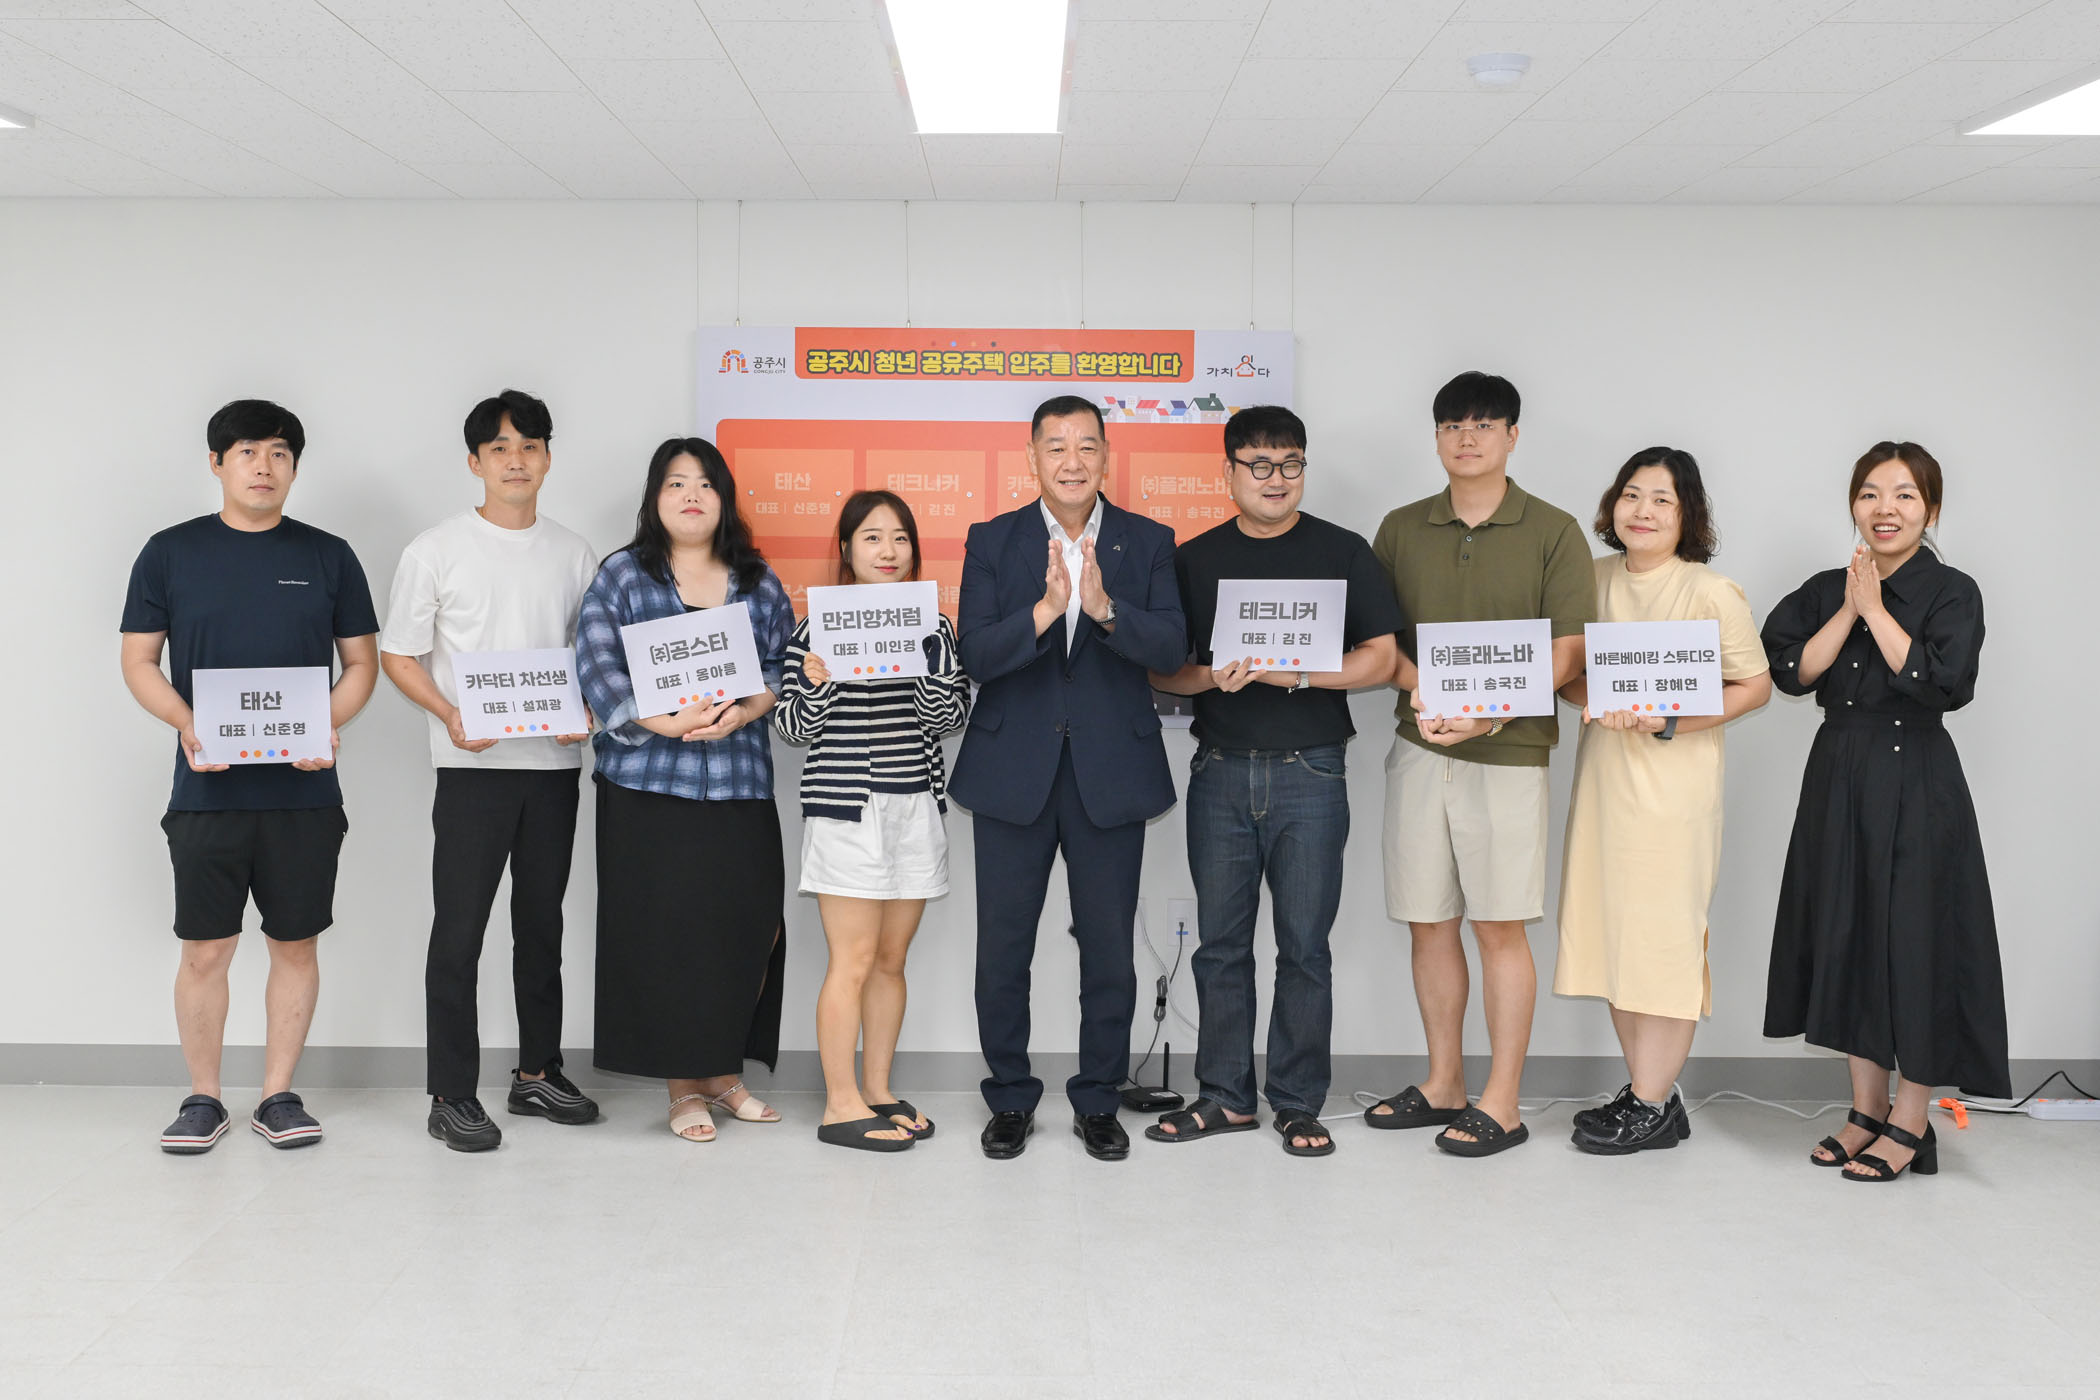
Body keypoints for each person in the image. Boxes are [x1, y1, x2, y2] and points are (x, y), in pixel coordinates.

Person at [120, 400, 379, 1154]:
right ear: (216, 463)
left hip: (304, 793)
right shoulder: (170, 552)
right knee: (206, 948)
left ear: (294, 466)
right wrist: (186, 722)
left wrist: (326, 724)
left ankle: (278, 1096)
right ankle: (203, 1098)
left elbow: (361, 664)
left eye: (278, 453)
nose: (263, 466)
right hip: (206, 790)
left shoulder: (329, 556)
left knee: (295, 944)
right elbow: (139, 660)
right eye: (246, 452)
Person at [1145, 405, 1402, 1158]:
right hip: (1220, 771)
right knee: (1220, 946)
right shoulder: (1193, 560)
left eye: (1290, 464)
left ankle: (1295, 1101)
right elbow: (1163, 670)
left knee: (1305, 949)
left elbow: (1382, 658)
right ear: (1227, 472)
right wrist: (1210, 679)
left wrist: (1299, 674)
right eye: (1258, 464)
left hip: (1311, 770)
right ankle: (1225, 1097)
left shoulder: (1342, 549)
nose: (1275, 479)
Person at [1761, 441, 2006, 1183]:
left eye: (1904, 495)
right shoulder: (1825, 587)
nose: (1885, 509)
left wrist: (1875, 610)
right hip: (1839, 773)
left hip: (1917, 775)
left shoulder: (1954, 591)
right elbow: (1792, 671)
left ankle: (1912, 1120)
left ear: (1931, 510)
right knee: (1849, 933)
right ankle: (1866, 1111)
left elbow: (1943, 683)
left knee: (1917, 941)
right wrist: (1850, 606)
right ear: (1853, 505)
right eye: (1870, 493)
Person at [1365, 371, 1595, 1157]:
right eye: (1453, 425)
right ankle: (1444, 1084)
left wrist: (1491, 712)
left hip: (1510, 755)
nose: (1468, 437)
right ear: (1436, 438)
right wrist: (1424, 690)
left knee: (1499, 925)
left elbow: (1568, 650)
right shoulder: (1400, 528)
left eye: (1485, 424)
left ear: (1512, 436)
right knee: (1428, 922)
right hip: (1420, 744)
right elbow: (1381, 642)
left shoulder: (1555, 530)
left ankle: (1503, 1100)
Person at [950, 395, 1186, 1162]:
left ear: (1107, 457)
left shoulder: (1149, 541)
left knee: (1109, 952)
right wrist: (1047, 611)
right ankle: (1010, 1098)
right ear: (1032, 458)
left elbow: (1172, 650)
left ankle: (1098, 1099)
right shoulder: (993, 540)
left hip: (1109, 774)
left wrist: (1107, 610)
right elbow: (977, 654)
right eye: (1056, 447)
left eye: (1087, 446)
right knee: (1002, 951)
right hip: (1011, 773)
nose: (1072, 461)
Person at [379, 390, 602, 1153]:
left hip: (553, 766)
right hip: (471, 769)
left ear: (548, 458)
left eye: (529, 446)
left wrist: (588, 710)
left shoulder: (575, 553)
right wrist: (449, 713)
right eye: (500, 448)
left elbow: (592, 655)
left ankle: (538, 1072)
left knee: (542, 925)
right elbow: (399, 655)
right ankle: (451, 1093)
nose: (516, 460)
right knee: (460, 931)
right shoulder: (436, 550)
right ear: (475, 462)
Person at [1553, 448, 1772, 1154]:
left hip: (1675, 794)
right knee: (1614, 937)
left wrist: (1669, 720)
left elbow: (1755, 687)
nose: (1642, 511)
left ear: (1688, 516)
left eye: (1662, 500)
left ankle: (1649, 1102)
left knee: (1666, 943)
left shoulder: (1710, 591)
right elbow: (1567, 675)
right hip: (1605, 784)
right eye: (1632, 495)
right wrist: (1598, 698)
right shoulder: (1589, 579)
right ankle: (1651, 1095)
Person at [575, 438, 793, 1143]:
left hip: (739, 784)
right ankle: (682, 1088)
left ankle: (724, 1074)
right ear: (654, 498)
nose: (691, 495)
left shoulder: (757, 580)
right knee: (667, 936)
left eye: (704, 483)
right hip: (647, 786)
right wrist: (664, 720)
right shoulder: (623, 576)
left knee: (745, 928)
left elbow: (781, 666)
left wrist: (747, 709)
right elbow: (596, 666)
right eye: (675, 483)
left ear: (723, 498)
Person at [775, 491, 970, 1153]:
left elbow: (949, 718)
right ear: (847, 549)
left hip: (914, 803)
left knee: (890, 961)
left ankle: (878, 1090)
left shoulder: (935, 627)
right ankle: (840, 1105)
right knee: (852, 961)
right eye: (872, 537)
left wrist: (925, 666)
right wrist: (820, 683)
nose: (888, 551)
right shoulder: (813, 629)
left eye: (900, 538)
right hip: (845, 808)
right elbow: (792, 728)